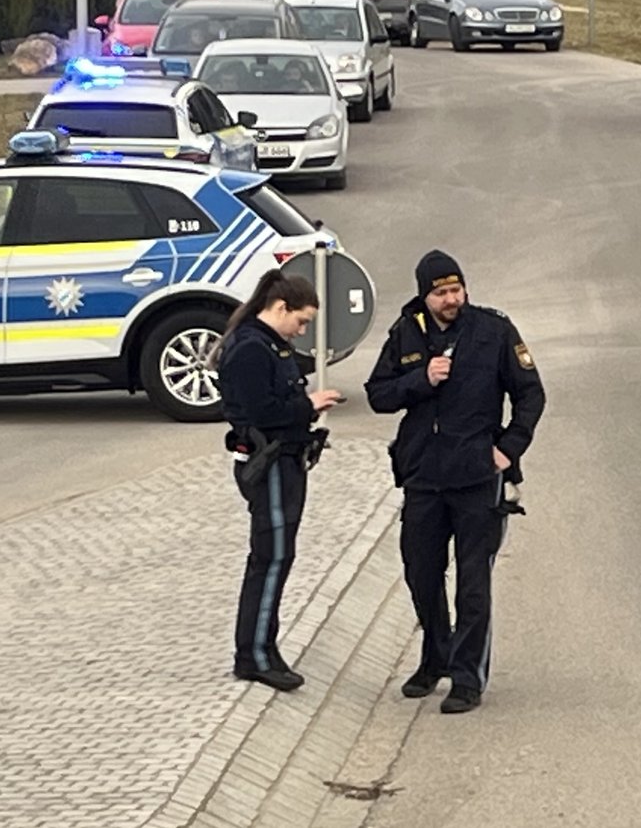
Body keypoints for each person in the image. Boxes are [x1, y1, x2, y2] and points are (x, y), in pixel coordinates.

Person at [366, 250, 545, 715]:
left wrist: (509, 447)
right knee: (421, 572)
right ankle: (435, 656)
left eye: (456, 290)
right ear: (425, 295)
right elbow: (378, 395)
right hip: (424, 475)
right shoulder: (406, 332)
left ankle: (467, 678)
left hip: (476, 477)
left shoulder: (492, 330)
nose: (451, 300)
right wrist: (419, 380)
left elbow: (531, 393)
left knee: (472, 583)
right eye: (441, 293)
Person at [218, 269, 343, 692]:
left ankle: (265, 647)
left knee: (279, 556)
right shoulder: (252, 348)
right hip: (267, 463)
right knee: (269, 558)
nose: (302, 329)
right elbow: (263, 412)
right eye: (301, 320)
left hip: (285, 462)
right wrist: (309, 405)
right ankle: (253, 654)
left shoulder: (270, 345)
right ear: (279, 307)